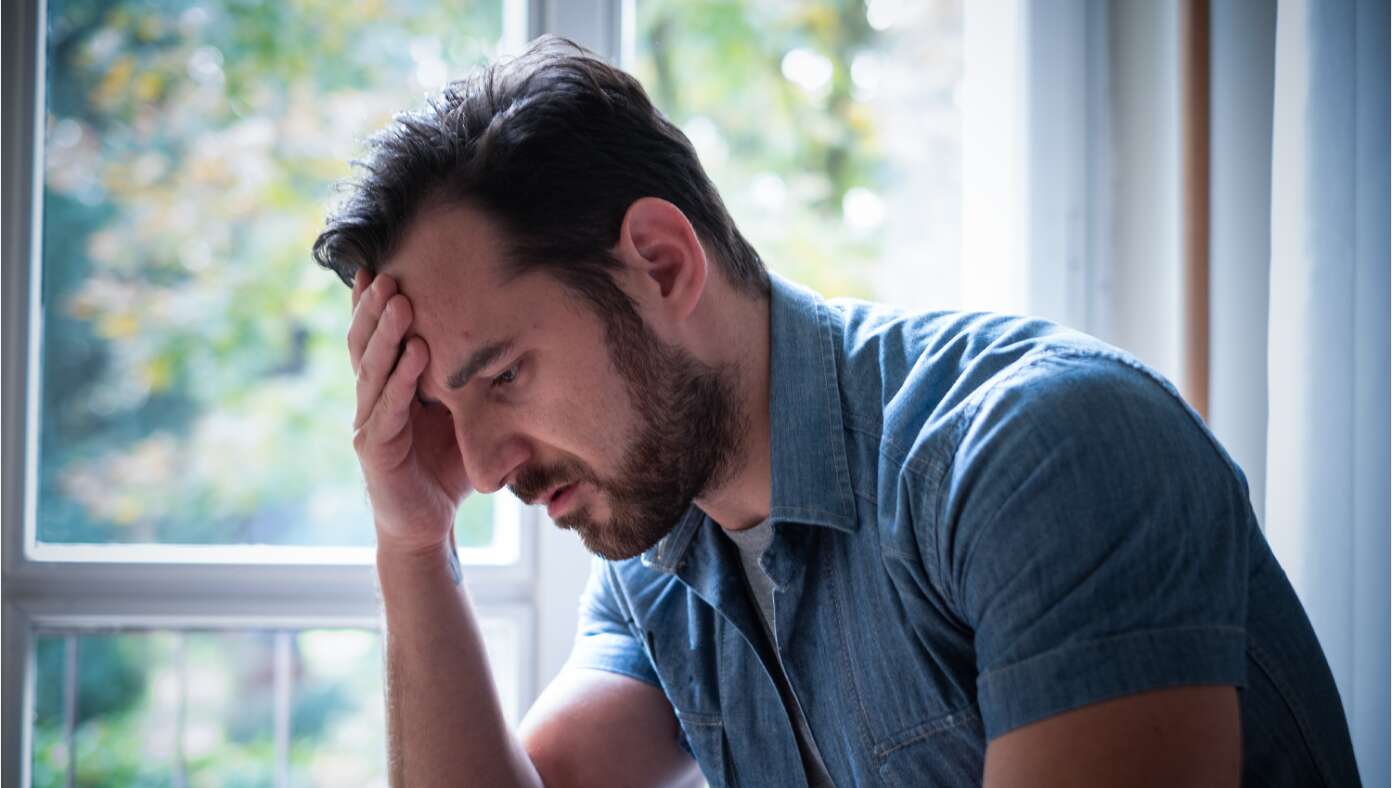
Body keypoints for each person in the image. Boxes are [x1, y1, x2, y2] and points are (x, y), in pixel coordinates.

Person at [312, 35, 1360, 788]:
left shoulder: (1040, 451)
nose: (487, 467)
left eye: (503, 376)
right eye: (448, 408)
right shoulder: (665, 562)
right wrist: (413, 540)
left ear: (661, 263)